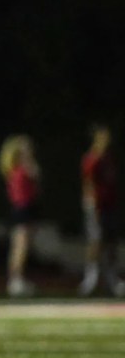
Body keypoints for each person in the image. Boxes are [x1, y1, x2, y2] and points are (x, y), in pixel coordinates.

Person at [78, 123, 123, 297]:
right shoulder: (91, 159)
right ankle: (90, 279)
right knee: (95, 241)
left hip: (110, 205)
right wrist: (91, 205)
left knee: (112, 242)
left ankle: (112, 278)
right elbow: (88, 184)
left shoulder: (109, 158)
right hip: (96, 206)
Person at [0, 134, 41, 298]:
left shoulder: (17, 168)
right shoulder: (19, 168)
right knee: (20, 247)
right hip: (21, 209)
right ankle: (15, 280)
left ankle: (17, 279)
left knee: (21, 246)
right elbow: (35, 175)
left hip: (25, 208)